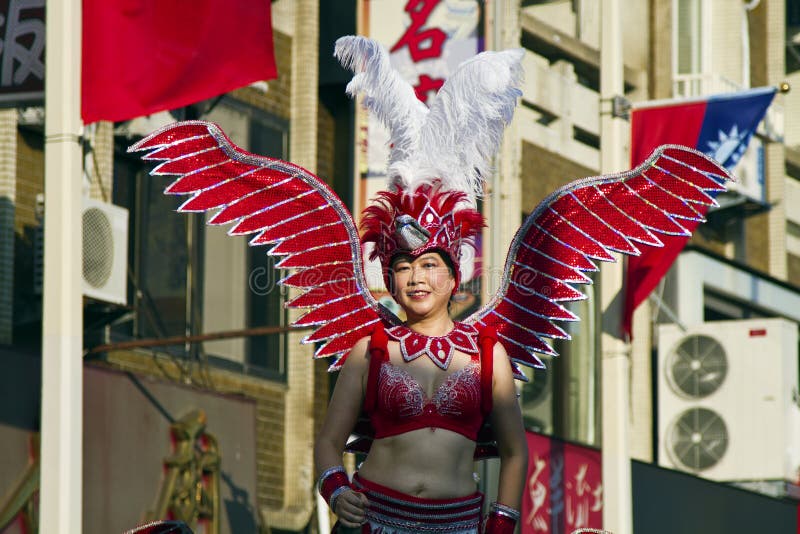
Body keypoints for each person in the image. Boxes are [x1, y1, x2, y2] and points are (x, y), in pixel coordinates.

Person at [130, 33, 732, 534]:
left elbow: (516, 450)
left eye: (429, 267)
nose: (415, 278)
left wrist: (503, 516)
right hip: (374, 518)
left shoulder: (490, 349)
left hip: (461, 522)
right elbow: (328, 441)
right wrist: (336, 488)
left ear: (455, 274)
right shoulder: (370, 347)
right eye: (402, 267)